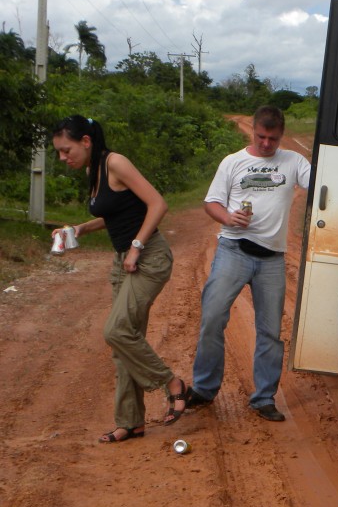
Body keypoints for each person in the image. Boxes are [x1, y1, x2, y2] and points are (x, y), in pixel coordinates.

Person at [52, 115, 189, 443]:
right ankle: (130, 422)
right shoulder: (92, 170)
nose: (62, 157)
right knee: (123, 344)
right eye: (58, 152)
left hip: (148, 258)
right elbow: (113, 212)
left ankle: (173, 384)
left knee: (116, 331)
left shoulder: (116, 163)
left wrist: (136, 247)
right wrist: (81, 228)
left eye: (65, 149)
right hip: (122, 262)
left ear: (85, 141)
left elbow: (158, 204)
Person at [187, 105, 310, 421]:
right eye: (261, 137)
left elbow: (321, 183)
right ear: (253, 130)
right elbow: (210, 203)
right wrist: (228, 216)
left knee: (270, 331)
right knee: (213, 317)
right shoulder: (233, 162)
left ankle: (264, 397)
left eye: (273, 138)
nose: (267, 144)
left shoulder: (294, 162)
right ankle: (203, 388)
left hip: (272, 259)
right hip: (233, 250)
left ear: (281, 135)